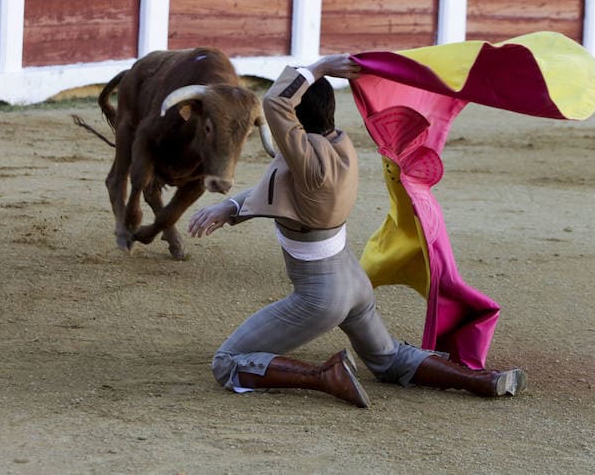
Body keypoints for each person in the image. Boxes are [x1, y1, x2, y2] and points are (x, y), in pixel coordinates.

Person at [188, 55, 528, 408]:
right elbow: (278, 189)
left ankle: (325, 376)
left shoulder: (308, 160)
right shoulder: (338, 143)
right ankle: (483, 380)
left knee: (227, 362)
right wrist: (229, 208)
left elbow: (275, 102)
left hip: (321, 296)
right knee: (389, 359)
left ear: (294, 117)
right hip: (353, 281)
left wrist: (318, 69)